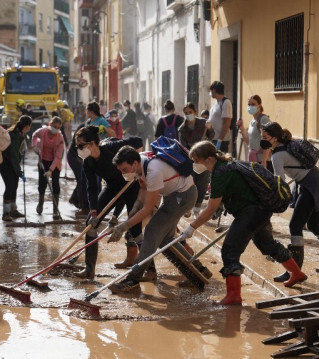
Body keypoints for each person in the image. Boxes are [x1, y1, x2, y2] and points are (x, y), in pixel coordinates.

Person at [181, 141, 307, 305]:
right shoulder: (227, 164)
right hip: (260, 210)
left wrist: (192, 227)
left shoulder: (220, 173)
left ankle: (234, 296)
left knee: (229, 250)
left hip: (251, 212)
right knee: (267, 244)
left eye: (196, 160)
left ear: (209, 159)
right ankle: (296, 273)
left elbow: (211, 208)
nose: (195, 165)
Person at [107, 146, 213, 293]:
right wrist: (135, 207)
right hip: (173, 194)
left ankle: (132, 279)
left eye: (124, 169)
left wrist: (123, 226)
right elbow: (144, 189)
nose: (123, 173)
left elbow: (148, 209)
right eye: (121, 170)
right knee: (165, 239)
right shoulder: (141, 163)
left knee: (151, 231)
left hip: (183, 196)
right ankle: (198, 271)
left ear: (134, 163)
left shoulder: (153, 171)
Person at [261, 122, 319, 281]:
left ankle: (294, 271)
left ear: (274, 138)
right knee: (314, 225)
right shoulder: (286, 145)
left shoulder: (277, 155)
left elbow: (280, 182)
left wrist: (270, 199)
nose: (262, 140)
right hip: (316, 181)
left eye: (265, 137)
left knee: (294, 225)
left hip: (311, 185)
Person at [74, 126, 144, 278]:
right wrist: (93, 212)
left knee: (135, 228)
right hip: (112, 187)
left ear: (92, 143)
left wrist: (135, 167)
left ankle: (149, 270)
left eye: (81, 145)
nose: (79, 149)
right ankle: (89, 269)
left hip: (130, 186)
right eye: (77, 146)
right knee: (91, 224)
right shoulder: (88, 163)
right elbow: (91, 188)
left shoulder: (112, 147)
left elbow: (138, 141)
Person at [179, 103, 214, 217]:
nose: (189, 115)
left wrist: (209, 128)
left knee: (203, 183)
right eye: (186, 113)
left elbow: (211, 136)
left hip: (204, 157)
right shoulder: (182, 129)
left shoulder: (203, 123)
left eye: (190, 112)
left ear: (195, 111)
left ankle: (197, 208)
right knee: (190, 182)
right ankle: (188, 206)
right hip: (191, 158)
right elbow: (183, 147)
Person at [32, 116, 65, 220]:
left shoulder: (60, 138)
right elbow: (34, 135)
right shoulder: (43, 131)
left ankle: (55, 210)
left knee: (55, 184)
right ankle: (40, 203)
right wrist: (35, 146)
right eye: (54, 126)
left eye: (58, 127)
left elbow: (58, 156)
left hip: (55, 163)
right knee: (42, 184)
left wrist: (51, 170)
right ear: (50, 124)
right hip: (43, 161)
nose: (56, 129)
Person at [1, 116, 32, 221]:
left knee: (14, 185)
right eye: (29, 126)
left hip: (12, 163)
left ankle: (13, 210)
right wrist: (19, 173)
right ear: (27, 126)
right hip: (6, 164)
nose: (29, 128)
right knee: (9, 186)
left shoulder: (19, 134)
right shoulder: (14, 136)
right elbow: (13, 156)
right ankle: (6, 213)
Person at [236, 95, 271, 170]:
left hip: (262, 160)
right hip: (254, 159)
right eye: (249, 104)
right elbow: (248, 141)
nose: (250, 106)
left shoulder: (264, 119)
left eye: (253, 104)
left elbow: (267, 141)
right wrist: (242, 128)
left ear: (259, 105)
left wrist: (264, 161)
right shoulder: (252, 121)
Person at [208, 81, 233, 153]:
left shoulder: (226, 103)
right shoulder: (215, 103)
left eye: (211, 90)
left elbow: (227, 123)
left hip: (221, 141)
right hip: (213, 138)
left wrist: (220, 140)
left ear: (214, 90)